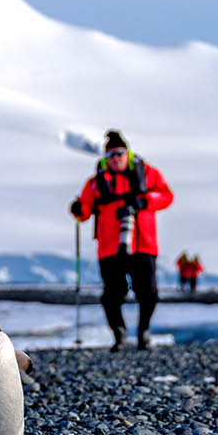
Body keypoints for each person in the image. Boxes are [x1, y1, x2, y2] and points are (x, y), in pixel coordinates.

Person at [71, 130, 175, 350]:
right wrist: (78, 209)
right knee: (111, 295)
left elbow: (167, 196)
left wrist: (146, 201)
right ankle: (119, 335)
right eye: (111, 155)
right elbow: (85, 210)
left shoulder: (147, 174)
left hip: (143, 244)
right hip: (110, 247)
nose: (116, 158)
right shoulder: (96, 182)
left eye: (120, 153)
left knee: (148, 292)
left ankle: (143, 332)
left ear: (127, 152)